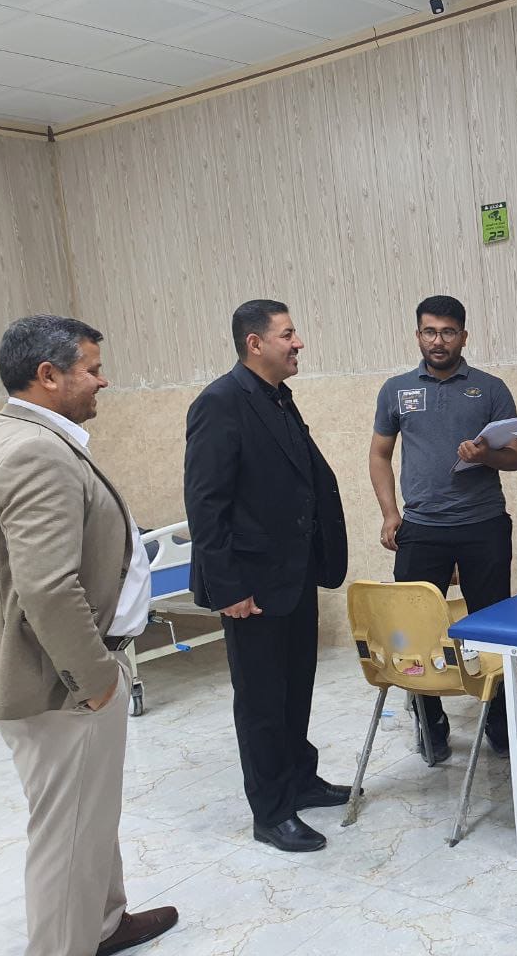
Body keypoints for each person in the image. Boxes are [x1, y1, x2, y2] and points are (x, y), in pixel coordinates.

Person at [0, 315, 178, 956]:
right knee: (67, 834)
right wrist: (94, 680)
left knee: (89, 817)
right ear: (49, 375)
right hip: (61, 683)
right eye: (92, 369)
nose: (102, 380)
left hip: (46, 671)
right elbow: (47, 588)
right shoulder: (34, 451)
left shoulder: (1, 434)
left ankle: (105, 923)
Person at [184, 299, 350, 853]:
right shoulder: (220, 403)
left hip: (292, 574)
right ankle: (271, 811)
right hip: (251, 586)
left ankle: (300, 779)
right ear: (255, 344)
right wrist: (227, 588)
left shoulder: (277, 397)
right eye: (288, 334)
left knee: (295, 686)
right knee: (261, 701)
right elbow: (206, 505)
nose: (298, 343)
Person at [369, 294, 517, 761]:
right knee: (414, 633)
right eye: (430, 332)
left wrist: (486, 455)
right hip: (420, 528)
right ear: (418, 335)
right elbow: (379, 455)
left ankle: (500, 721)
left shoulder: (491, 389)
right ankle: (431, 723)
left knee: (492, 627)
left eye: (448, 332)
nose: (438, 341)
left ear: (463, 336)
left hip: (484, 526)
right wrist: (390, 513)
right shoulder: (396, 389)